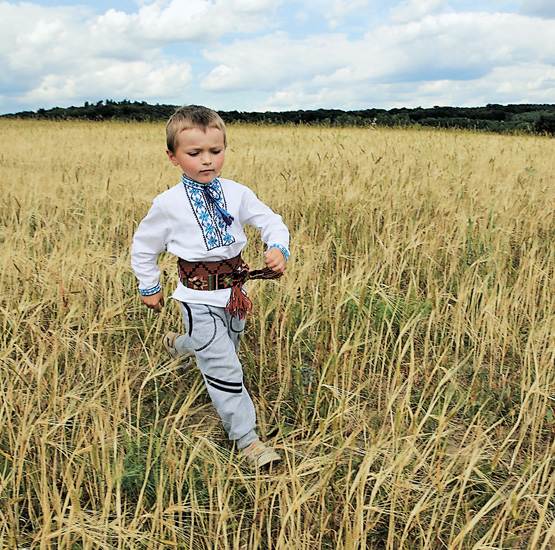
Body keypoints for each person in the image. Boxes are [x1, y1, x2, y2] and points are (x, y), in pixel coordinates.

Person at [131, 105, 290, 468]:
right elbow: (143, 247)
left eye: (215, 151)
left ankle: (180, 344)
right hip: (196, 298)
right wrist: (148, 286)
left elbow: (271, 222)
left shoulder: (237, 193)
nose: (207, 161)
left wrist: (277, 246)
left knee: (225, 349)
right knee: (224, 367)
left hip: (236, 297)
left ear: (224, 149)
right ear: (173, 156)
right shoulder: (167, 204)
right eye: (194, 153)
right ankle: (247, 440)